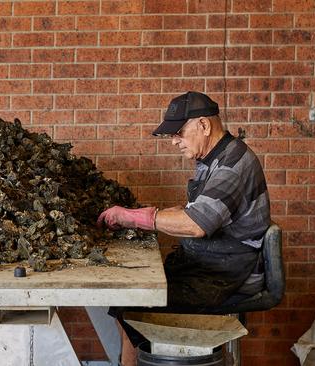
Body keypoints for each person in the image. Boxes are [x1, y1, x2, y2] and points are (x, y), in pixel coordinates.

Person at [97, 91, 271, 363]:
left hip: (227, 275)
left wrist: (136, 218)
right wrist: (145, 215)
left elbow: (196, 224)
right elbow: (192, 210)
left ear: (203, 125)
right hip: (209, 265)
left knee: (130, 302)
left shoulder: (233, 164)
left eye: (178, 132)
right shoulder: (213, 158)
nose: (175, 141)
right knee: (128, 298)